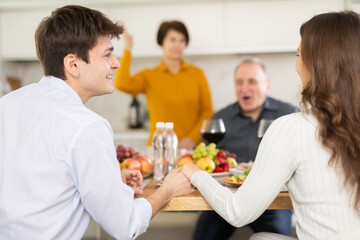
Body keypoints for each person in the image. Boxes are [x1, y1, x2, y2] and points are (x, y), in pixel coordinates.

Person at [0, 5, 194, 239]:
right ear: (73, 65)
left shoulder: (8, 103)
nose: (116, 63)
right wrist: (169, 190)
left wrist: (107, 181)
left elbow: (38, 181)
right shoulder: (87, 126)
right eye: (107, 54)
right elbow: (125, 226)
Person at [182, 10, 360, 240]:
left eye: (298, 54)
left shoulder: (290, 126)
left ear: (314, 64)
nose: (296, 64)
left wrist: (194, 173)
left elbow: (237, 212)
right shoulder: (225, 115)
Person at [193, 58, 299, 240]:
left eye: (252, 81)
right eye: (239, 82)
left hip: (272, 202)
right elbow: (207, 161)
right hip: (225, 199)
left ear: (267, 85)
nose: (244, 88)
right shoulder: (221, 118)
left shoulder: (289, 114)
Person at [114, 20, 213, 150]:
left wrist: (192, 139)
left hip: (190, 150)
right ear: (162, 42)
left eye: (182, 40)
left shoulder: (197, 74)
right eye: (172, 39)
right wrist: (127, 49)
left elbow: (207, 112)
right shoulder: (149, 76)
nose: (177, 45)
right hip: (158, 150)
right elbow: (121, 84)